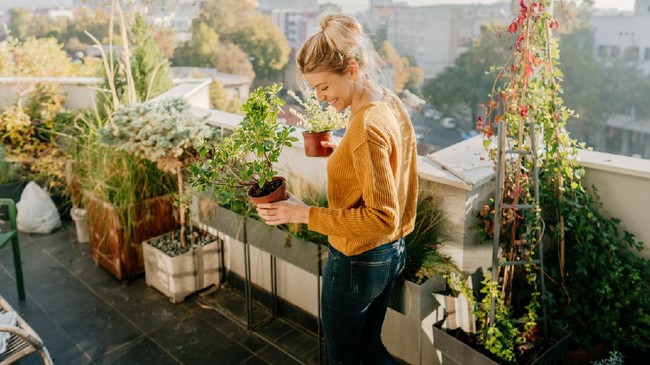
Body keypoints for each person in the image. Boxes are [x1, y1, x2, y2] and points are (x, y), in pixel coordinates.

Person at [256, 13, 418, 365]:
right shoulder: (386, 100)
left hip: (358, 260)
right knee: (370, 350)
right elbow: (391, 158)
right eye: (314, 89)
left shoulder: (365, 128)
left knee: (344, 358)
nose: (319, 97)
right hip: (391, 254)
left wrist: (301, 213)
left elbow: (380, 217)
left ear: (352, 70)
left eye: (324, 87)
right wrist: (341, 150)